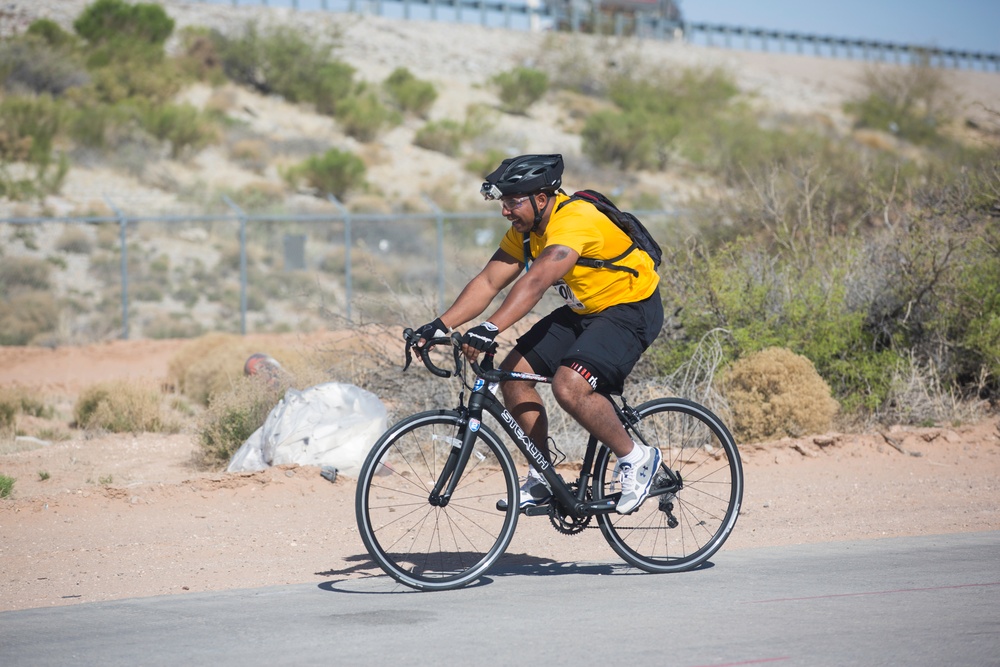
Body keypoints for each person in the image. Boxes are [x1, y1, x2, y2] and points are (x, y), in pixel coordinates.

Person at [413, 154, 663, 514]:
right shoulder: (526, 232)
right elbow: (488, 281)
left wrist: (490, 327)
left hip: (630, 308)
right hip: (585, 310)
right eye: (503, 203)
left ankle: (637, 458)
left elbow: (537, 281)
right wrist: (440, 325)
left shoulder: (575, 220)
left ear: (541, 198)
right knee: (515, 378)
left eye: (513, 202)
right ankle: (545, 476)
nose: (505, 212)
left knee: (569, 386)